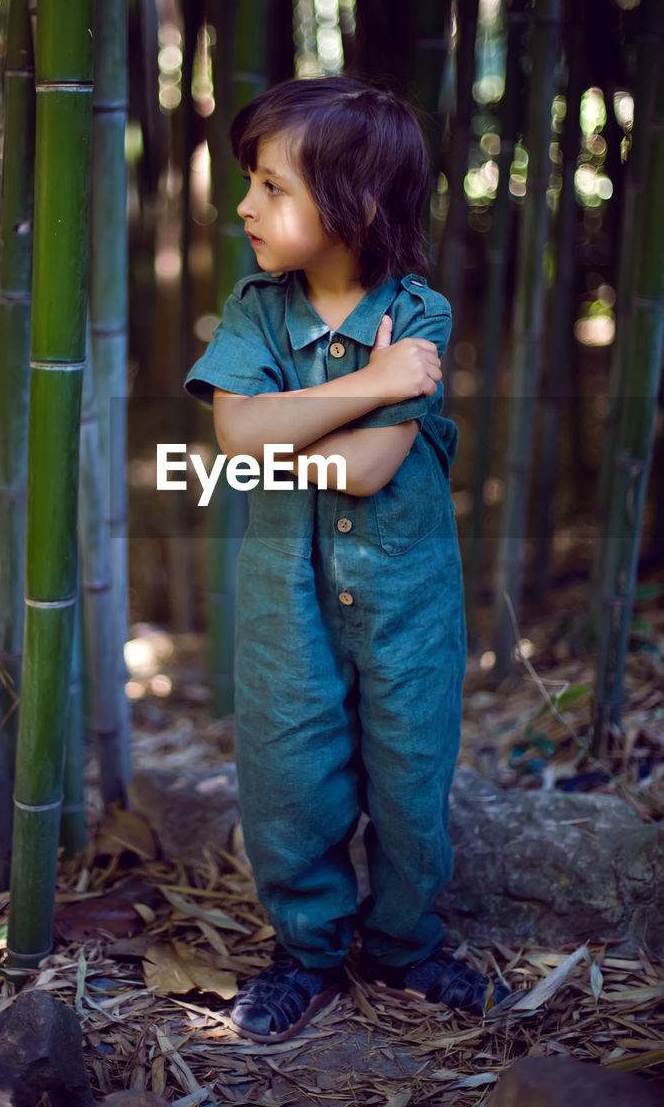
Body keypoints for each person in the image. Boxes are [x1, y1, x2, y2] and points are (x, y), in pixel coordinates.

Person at [185, 76, 510, 1043]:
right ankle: (308, 952)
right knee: (290, 775)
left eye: (271, 186)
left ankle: (405, 945)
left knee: (410, 776)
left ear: (353, 204)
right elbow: (234, 433)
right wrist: (370, 380)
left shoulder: (421, 310)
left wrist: (276, 436)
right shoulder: (256, 312)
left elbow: (369, 465)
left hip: (407, 594)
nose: (243, 203)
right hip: (285, 594)